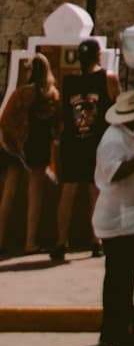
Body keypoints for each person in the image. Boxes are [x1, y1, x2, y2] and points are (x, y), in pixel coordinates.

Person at [92, 88, 134, 346]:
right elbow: (114, 172)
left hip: (130, 217)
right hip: (117, 220)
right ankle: (113, 331)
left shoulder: (128, 135)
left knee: (131, 276)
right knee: (119, 278)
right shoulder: (113, 140)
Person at [53, 39, 118, 261]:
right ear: (99, 56)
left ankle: (61, 242)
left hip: (72, 142)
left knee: (68, 191)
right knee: (95, 192)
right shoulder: (107, 78)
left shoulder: (69, 81)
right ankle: (96, 240)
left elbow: (62, 115)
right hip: (97, 143)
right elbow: (118, 108)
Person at [0, 54, 59, 256]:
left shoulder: (20, 93)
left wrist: (14, 140)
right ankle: (30, 242)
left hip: (18, 148)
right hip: (39, 146)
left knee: (8, 194)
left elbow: (5, 119)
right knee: (35, 195)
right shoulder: (52, 95)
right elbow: (56, 125)